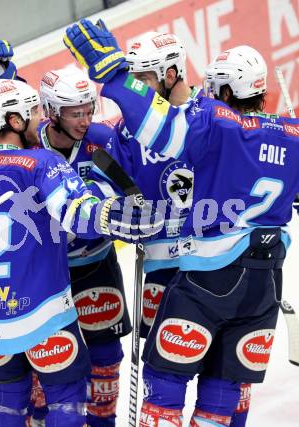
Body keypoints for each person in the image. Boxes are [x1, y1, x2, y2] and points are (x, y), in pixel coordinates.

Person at [63, 19, 299, 427]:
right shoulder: (293, 132)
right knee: (224, 391)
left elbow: (162, 127)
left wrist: (116, 75)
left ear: (225, 91)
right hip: (265, 286)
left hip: (210, 277)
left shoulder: (215, 122)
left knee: (165, 381)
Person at [0, 78, 162, 426]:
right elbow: (79, 213)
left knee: (6, 404)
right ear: (15, 121)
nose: (41, 118)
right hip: (44, 310)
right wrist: (118, 218)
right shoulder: (39, 163)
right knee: (67, 401)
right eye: (34, 111)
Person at [103, 31, 250, 427]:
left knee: (226, 380)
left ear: (171, 73)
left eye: (144, 79)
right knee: (163, 385)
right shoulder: (124, 131)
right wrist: (123, 218)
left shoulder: (213, 116)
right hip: (161, 271)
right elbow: (113, 192)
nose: (137, 89)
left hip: (220, 266)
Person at [37, 66, 132, 426]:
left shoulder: (100, 141)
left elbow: (130, 191)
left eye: (88, 109)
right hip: (47, 273)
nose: (84, 119)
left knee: (106, 355)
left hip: (96, 265)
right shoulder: (31, 147)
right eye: (74, 112)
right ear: (51, 111)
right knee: (51, 361)